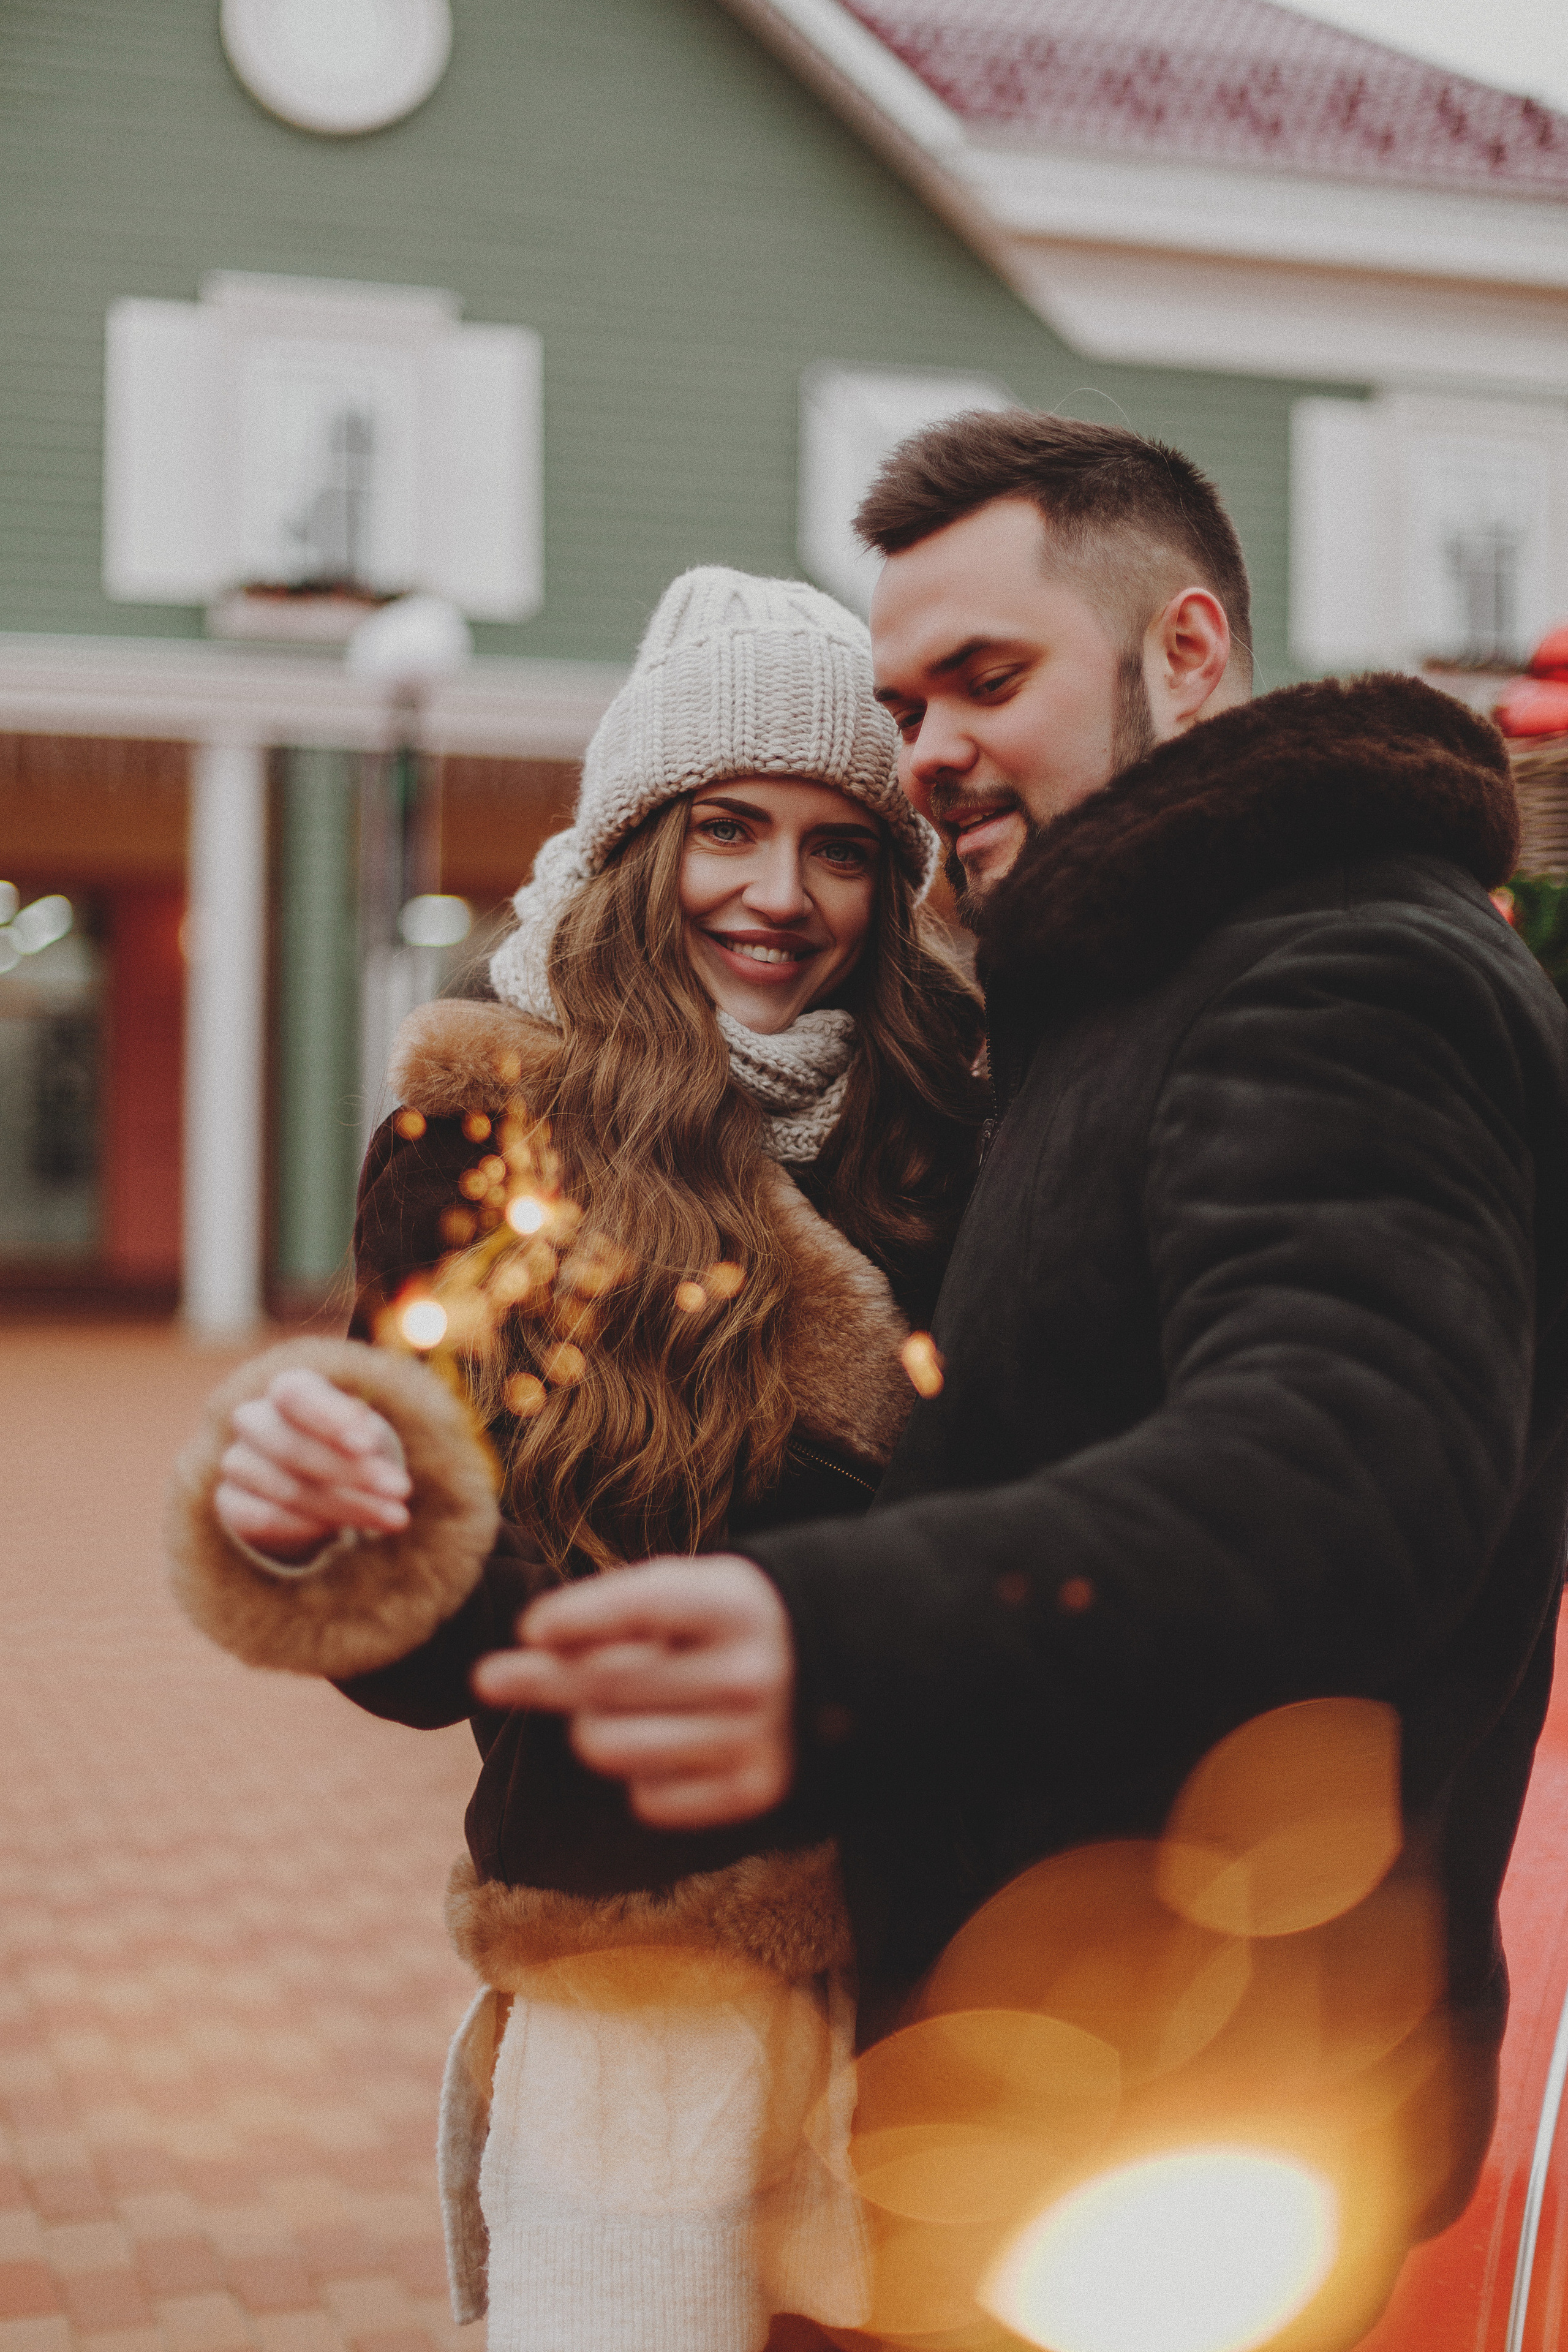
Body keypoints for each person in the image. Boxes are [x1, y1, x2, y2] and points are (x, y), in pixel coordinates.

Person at [471, 415, 1568, 2326]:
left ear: (1190, 650)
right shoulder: (1100, 1001)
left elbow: (1344, 1462)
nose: (931, 753)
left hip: (1218, 2107)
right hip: (1051, 2089)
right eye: (908, 700)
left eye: (990, 677)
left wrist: (826, 1635)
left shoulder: (1335, 969)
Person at [166, 567, 985, 2352]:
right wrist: (346, 1540)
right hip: (643, 1965)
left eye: (843, 844)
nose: (781, 895)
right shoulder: (482, 1145)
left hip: (956, 1963)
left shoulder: (946, 1134)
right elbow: (443, 1654)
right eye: (727, 829)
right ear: (636, 845)